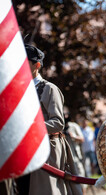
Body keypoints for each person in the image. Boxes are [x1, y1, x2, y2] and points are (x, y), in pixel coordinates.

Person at [15, 44, 82, 195]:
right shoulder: (19, 91)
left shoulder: (49, 88)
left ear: (37, 65)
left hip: (47, 150)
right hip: (22, 151)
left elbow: (58, 123)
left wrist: (29, 127)